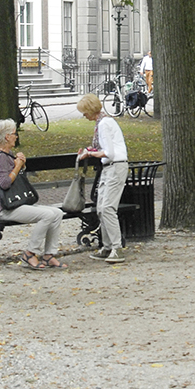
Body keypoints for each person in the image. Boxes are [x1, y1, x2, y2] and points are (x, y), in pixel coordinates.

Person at [0, 118, 67, 269]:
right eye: (14, 133)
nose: (16, 136)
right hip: (6, 208)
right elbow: (4, 183)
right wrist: (18, 166)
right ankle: (30, 253)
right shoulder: (0, 157)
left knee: (57, 213)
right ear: (7, 137)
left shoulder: (7, 154)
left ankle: (49, 255)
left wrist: (21, 165)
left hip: (17, 203)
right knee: (47, 215)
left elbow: (15, 177)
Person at [77, 92, 128, 263]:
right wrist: (90, 151)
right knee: (101, 208)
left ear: (91, 110)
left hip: (115, 166)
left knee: (107, 208)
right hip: (109, 167)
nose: (84, 116)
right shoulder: (103, 122)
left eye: (85, 112)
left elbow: (109, 153)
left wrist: (90, 154)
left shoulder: (105, 124)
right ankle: (107, 246)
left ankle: (116, 247)